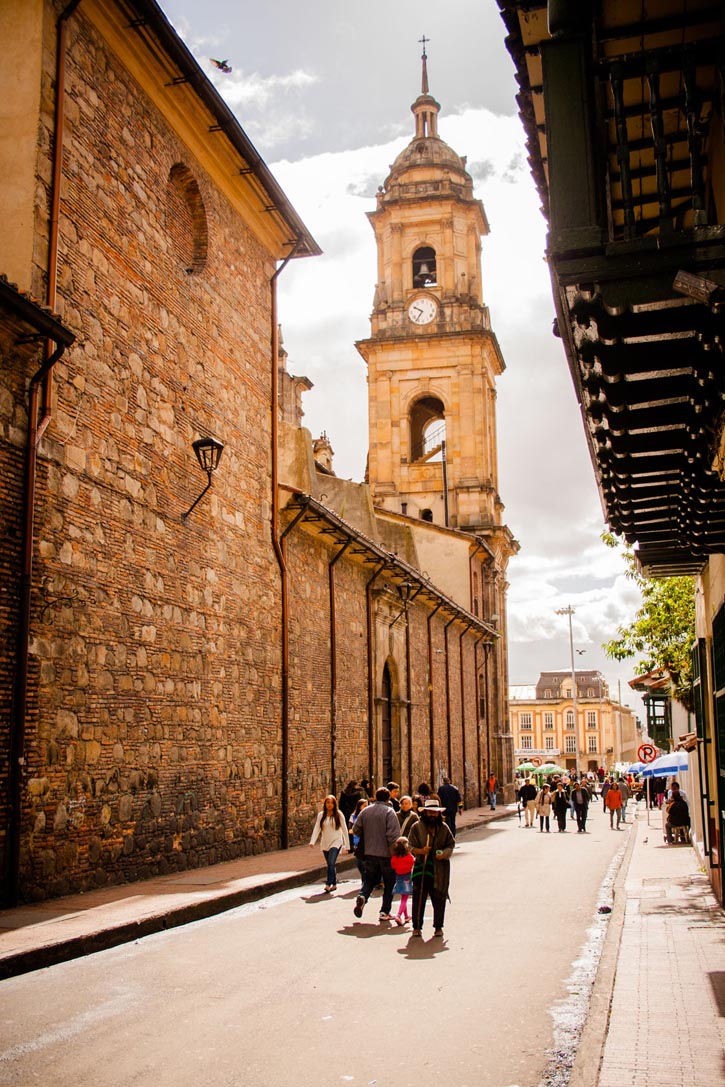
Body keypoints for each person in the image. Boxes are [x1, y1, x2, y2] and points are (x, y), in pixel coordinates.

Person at [352, 787, 401, 922]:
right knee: (390, 883)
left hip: (369, 852)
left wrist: (368, 835)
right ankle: (384, 911)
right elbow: (394, 835)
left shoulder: (366, 811)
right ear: (388, 798)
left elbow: (356, 829)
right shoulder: (389, 812)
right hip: (386, 854)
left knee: (369, 879)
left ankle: (363, 896)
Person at [408, 799, 455, 937]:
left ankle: (438, 927)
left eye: (435, 812)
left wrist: (444, 854)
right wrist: (421, 851)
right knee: (419, 898)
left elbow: (451, 844)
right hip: (421, 868)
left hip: (439, 870)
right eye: (430, 812)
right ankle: (417, 927)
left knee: (439, 898)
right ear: (425, 813)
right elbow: (409, 846)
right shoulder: (416, 827)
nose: (432, 815)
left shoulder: (444, 828)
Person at [309, 794, 350, 892]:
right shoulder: (321, 815)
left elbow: (344, 829)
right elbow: (317, 828)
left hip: (336, 841)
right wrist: (312, 841)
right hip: (325, 842)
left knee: (331, 862)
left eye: (332, 803)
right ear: (325, 804)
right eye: (328, 803)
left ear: (335, 804)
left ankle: (328, 884)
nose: (330, 805)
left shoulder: (339, 814)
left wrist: (347, 845)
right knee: (330, 864)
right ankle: (334, 883)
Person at [391, 836, 415, 926]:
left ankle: (406, 916)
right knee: (405, 898)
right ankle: (398, 915)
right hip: (407, 878)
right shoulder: (409, 857)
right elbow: (413, 862)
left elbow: (393, 866)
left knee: (403, 896)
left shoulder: (394, 857)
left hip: (398, 877)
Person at [349, 797, 368, 885]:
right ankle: (364, 878)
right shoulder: (353, 816)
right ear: (359, 806)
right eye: (364, 806)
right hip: (357, 841)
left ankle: (365, 880)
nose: (366, 807)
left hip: (366, 841)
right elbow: (350, 829)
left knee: (364, 863)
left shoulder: (368, 815)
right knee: (358, 862)